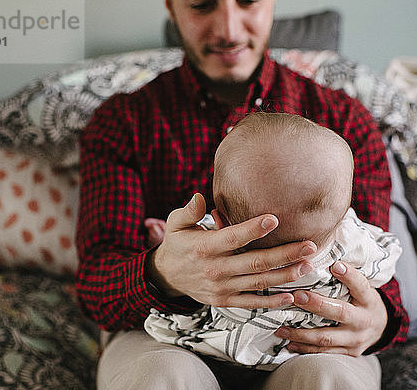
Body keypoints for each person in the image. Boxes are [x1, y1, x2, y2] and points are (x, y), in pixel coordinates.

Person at [76, 0, 409, 388]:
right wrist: (162, 272)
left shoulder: (343, 120)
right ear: (171, 5)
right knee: (161, 377)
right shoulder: (125, 121)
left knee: (328, 379)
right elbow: (96, 287)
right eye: (201, 4)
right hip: (164, 333)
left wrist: (378, 324)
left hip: (306, 338)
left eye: (248, 1)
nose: (228, 30)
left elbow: (377, 268)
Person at [144, 112, 402, 371]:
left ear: (221, 223)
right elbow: (386, 259)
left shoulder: (215, 255)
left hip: (223, 350)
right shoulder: (349, 246)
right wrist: (384, 309)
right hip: (303, 351)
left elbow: (176, 300)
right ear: (343, 217)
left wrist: (158, 264)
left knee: (167, 351)